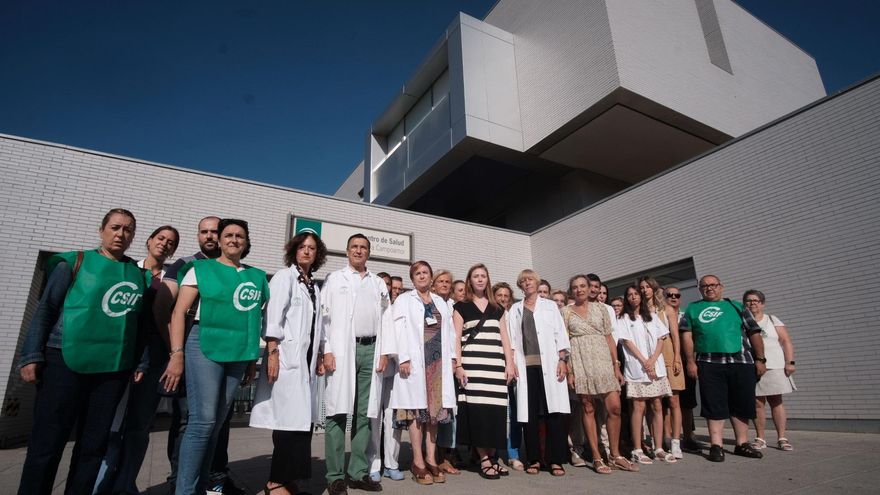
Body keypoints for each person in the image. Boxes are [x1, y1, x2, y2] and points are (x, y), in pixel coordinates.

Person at [18, 208, 146, 495]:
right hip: (63, 359)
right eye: (115, 227)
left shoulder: (138, 275)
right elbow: (47, 308)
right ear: (102, 230)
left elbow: (141, 324)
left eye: (127, 229)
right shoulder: (74, 263)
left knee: (93, 446)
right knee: (46, 443)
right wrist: (31, 355)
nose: (120, 234)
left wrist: (141, 362)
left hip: (112, 368)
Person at [161, 219, 268, 494]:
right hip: (203, 344)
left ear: (246, 242)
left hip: (238, 351)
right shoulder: (200, 269)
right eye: (229, 235)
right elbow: (177, 313)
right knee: (202, 421)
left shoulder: (255, 276)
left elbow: (253, 319)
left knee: (217, 425)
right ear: (219, 240)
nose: (234, 239)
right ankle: (184, 490)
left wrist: (249, 360)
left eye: (240, 236)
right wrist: (177, 354)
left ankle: (202, 485)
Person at [94, 225, 180, 495]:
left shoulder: (172, 277)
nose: (164, 244)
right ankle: (100, 484)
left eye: (171, 242)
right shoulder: (127, 269)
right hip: (120, 358)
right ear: (149, 240)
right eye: (161, 238)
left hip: (155, 359)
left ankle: (125, 484)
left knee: (139, 426)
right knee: (110, 424)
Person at [249, 231, 328, 494]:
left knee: (301, 424)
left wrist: (318, 355)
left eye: (312, 248)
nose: (307, 251)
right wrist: (272, 351)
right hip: (286, 358)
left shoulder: (312, 285)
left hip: (305, 361)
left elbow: (316, 327)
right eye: (303, 247)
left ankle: (288, 479)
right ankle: (275, 483)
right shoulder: (285, 278)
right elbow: (273, 317)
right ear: (294, 250)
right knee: (286, 422)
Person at [321, 234, 393, 495]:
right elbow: (324, 318)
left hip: (371, 350)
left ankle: (358, 472)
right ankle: (335, 475)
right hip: (342, 351)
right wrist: (326, 350)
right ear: (347, 251)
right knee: (337, 413)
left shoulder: (377, 284)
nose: (359, 251)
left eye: (363, 247)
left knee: (365, 414)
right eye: (354, 247)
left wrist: (385, 351)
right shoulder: (334, 280)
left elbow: (386, 317)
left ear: (369, 253)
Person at [680, 275, 766, 462]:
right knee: (713, 404)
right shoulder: (692, 309)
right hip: (709, 362)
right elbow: (687, 337)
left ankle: (742, 443)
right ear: (700, 289)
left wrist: (760, 359)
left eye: (713, 285)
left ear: (721, 287)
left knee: (741, 403)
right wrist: (690, 361)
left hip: (741, 361)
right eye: (704, 286)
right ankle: (716, 445)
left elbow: (754, 332)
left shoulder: (736, 306)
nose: (709, 288)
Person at [390, 261, 456, 485]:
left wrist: (454, 359)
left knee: (434, 414)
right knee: (416, 413)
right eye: (417, 273)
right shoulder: (403, 300)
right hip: (416, 364)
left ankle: (431, 458)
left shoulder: (440, 301)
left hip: (437, 365)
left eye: (425, 273)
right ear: (412, 278)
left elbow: (450, 333)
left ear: (431, 277)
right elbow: (397, 330)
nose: (422, 276)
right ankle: (417, 461)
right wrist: (404, 358)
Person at [561, 274, 636, 474]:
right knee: (588, 408)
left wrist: (616, 365)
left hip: (603, 360)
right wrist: (569, 370)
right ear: (571, 290)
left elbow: (609, 337)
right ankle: (596, 456)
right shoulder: (565, 312)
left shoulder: (602, 309)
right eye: (575, 287)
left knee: (615, 408)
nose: (579, 290)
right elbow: (563, 342)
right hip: (580, 360)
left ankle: (615, 454)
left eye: (583, 286)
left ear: (589, 288)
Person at [453, 264, 517, 480]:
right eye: (475, 276)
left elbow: (505, 338)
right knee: (478, 414)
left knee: (496, 414)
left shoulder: (497, 307)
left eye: (483, 276)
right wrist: (458, 365)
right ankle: (484, 459)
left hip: (495, 367)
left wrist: (510, 364)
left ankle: (492, 456)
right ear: (469, 280)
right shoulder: (461, 306)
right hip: (472, 368)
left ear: (488, 280)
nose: (479, 280)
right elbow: (456, 339)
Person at [508, 270, 571, 476]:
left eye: (530, 280)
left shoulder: (550, 306)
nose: (527, 283)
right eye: (523, 281)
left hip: (550, 365)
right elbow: (512, 340)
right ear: (520, 285)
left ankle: (556, 460)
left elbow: (560, 334)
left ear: (537, 283)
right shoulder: (515, 309)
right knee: (530, 414)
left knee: (554, 413)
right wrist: (512, 363)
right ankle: (534, 459)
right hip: (526, 368)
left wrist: (562, 360)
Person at [618, 287, 675, 464]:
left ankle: (658, 447)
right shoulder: (624, 318)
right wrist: (644, 361)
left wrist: (653, 359)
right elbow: (627, 342)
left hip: (655, 367)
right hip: (638, 368)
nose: (634, 297)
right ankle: (637, 448)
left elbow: (661, 338)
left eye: (636, 294)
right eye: (630, 295)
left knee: (657, 405)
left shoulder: (651, 316)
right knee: (639, 407)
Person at [743, 290, 796, 451]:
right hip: (752, 366)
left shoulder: (772, 320)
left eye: (756, 300)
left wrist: (790, 362)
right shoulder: (742, 322)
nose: (753, 303)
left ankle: (782, 437)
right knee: (757, 403)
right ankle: (760, 438)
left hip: (775, 365)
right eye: (749, 301)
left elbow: (786, 341)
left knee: (776, 401)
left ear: (762, 303)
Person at [638, 276, 684, 459]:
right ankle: (659, 440)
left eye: (647, 287)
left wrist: (677, 358)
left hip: (668, 356)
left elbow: (675, 335)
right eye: (641, 287)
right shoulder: (639, 311)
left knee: (673, 401)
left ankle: (675, 441)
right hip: (650, 358)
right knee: (654, 402)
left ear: (653, 288)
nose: (644, 290)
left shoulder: (666, 309)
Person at [663, 287, 703, 454]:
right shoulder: (661, 314)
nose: (673, 297)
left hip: (686, 362)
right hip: (668, 362)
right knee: (668, 402)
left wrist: (691, 361)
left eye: (676, 295)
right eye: (669, 295)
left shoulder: (687, 314)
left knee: (686, 402)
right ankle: (668, 437)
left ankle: (688, 435)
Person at [430, 270, 461, 476]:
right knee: (434, 411)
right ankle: (434, 456)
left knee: (449, 412)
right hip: (432, 362)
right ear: (434, 284)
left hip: (450, 363)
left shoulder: (453, 306)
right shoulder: (429, 303)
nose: (444, 284)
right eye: (440, 281)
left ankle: (446, 456)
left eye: (447, 282)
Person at [491, 281, 522, 471]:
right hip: (494, 367)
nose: (503, 298)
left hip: (513, 368)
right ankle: (492, 454)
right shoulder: (490, 315)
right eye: (499, 295)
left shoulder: (514, 315)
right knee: (496, 413)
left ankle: (513, 453)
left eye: (506, 296)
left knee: (514, 412)